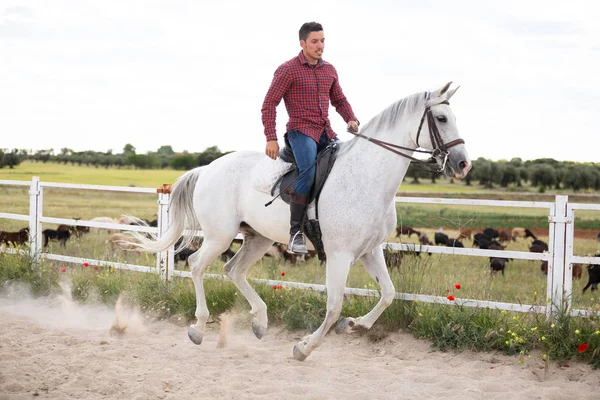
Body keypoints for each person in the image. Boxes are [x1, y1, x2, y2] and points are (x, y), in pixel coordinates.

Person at [261, 21, 360, 254]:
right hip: (300, 131)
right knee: (308, 171)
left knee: (348, 164)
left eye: (323, 40)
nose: (320, 46)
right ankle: (295, 231)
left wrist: (351, 118)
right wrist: (271, 137)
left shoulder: (329, 70)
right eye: (315, 41)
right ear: (302, 43)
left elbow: (339, 99)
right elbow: (269, 104)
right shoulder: (288, 69)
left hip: (326, 132)